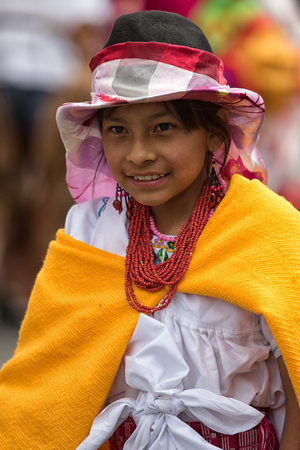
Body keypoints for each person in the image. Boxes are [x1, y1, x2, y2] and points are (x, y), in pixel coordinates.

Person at [0, 11, 300, 450]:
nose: (139, 154)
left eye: (163, 128)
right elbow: (48, 376)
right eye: (119, 131)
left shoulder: (269, 231)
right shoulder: (90, 230)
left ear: (214, 135)